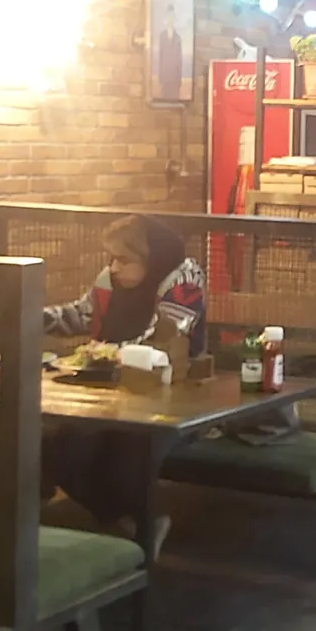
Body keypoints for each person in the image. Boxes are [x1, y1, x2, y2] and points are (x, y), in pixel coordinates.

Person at [42, 215, 206, 556]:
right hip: (110, 394)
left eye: (123, 259)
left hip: (174, 398)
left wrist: (104, 353)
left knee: (128, 447)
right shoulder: (110, 281)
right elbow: (81, 315)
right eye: (112, 258)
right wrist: (35, 317)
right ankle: (128, 525)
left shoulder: (184, 281)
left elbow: (163, 338)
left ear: (150, 258)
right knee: (58, 444)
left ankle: (136, 528)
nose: (113, 267)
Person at [156, 4, 183, 101]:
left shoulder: (178, 38)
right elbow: (160, 57)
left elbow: (179, 60)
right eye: (168, 17)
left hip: (174, 78)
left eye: (172, 17)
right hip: (165, 77)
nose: (170, 20)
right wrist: (161, 78)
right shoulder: (162, 36)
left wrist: (179, 79)